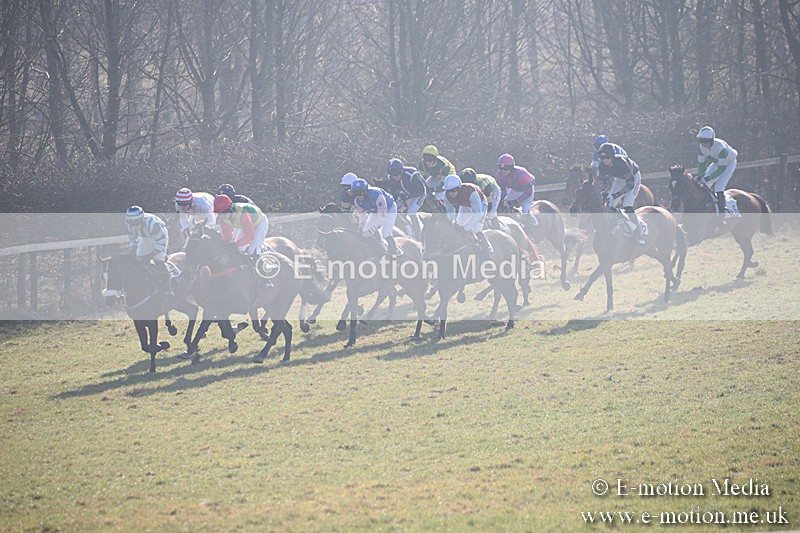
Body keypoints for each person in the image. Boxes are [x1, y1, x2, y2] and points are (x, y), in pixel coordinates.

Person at [597, 142, 645, 245]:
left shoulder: (621, 163)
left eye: (607, 157)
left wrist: (617, 194)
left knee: (627, 205)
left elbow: (630, 184)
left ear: (612, 156)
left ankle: (638, 234)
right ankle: (614, 229)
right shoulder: (602, 166)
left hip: (633, 178)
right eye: (602, 157)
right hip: (619, 179)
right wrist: (604, 192)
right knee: (611, 205)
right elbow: (602, 181)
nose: (604, 160)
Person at [125, 206, 173, 296]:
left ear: (142, 219)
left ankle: (167, 287)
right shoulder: (129, 226)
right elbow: (132, 240)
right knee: (140, 259)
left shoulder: (153, 224)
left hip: (159, 237)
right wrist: (133, 249)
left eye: (136, 223)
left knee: (158, 260)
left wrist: (153, 253)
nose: (135, 227)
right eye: (132, 224)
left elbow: (162, 240)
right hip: (145, 238)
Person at [442, 174, 493, 258]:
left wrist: (466, 227)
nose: (451, 193)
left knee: (476, 229)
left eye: (453, 190)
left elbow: (478, 215)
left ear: (459, 188)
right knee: (458, 225)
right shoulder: (446, 195)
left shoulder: (471, 193)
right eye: (448, 190)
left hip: (480, 206)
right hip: (465, 206)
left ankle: (487, 253)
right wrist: (451, 224)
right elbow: (450, 212)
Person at [696, 126, 738, 223]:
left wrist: (709, 177)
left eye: (706, 141)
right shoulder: (701, 148)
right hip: (717, 163)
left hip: (728, 164)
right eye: (701, 141)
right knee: (704, 185)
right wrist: (700, 175)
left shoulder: (721, 148)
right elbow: (701, 164)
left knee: (719, 187)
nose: (704, 144)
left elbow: (721, 169)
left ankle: (722, 216)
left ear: (711, 140)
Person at [351, 178, 399, 257]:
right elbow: (361, 215)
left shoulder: (377, 195)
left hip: (389, 209)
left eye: (360, 193)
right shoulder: (357, 201)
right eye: (355, 194)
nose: (358, 196)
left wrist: (371, 231)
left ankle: (395, 252)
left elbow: (382, 218)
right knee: (364, 231)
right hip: (375, 211)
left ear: (366, 191)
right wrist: (361, 224)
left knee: (386, 232)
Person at [495, 153, 537, 233]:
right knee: (505, 205)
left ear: (511, 168)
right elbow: (502, 190)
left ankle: (531, 231)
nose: (503, 171)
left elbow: (528, 191)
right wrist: (501, 200)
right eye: (500, 168)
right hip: (514, 189)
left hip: (526, 190)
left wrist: (518, 200)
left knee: (525, 211)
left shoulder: (522, 175)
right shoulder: (499, 175)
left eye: (506, 168)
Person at [386, 158, 426, 237]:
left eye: (396, 174)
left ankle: (419, 232)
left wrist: (408, 198)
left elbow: (420, 190)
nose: (394, 177)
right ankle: (406, 227)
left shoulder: (412, 175)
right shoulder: (390, 178)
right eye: (392, 174)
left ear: (401, 172)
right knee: (395, 210)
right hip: (406, 193)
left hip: (418, 193)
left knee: (411, 211)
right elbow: (395, 192)